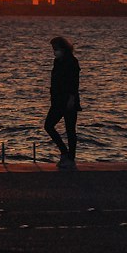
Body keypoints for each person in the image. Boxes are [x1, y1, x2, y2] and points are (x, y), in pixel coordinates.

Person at [44, 35, 81, 169]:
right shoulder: (57, 62)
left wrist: (72, 98)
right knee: (48, 125)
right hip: (57, 101)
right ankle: (64, 153)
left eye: (56, 49)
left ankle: (70, 158)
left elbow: (74, 82)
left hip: (68, 100)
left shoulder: (72, 62)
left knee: (70, 130)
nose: (54, 51)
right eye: (53, 49)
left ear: (63, 48)